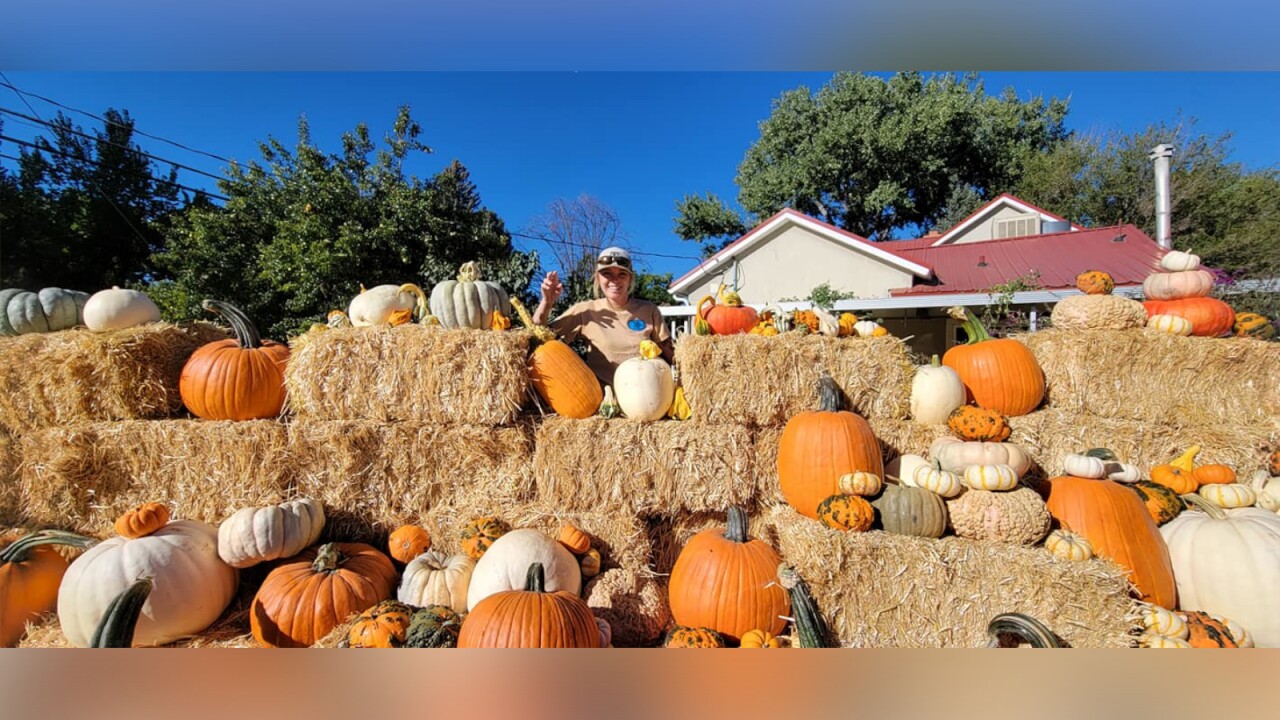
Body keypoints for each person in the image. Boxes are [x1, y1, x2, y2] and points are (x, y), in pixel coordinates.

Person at [532, 246, 675, 387]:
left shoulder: (649, 310)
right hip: (604, 402)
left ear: (630, 279)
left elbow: (671, 353)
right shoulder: (585, 311)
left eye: (622, 274)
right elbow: (539, 337)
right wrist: (546, 302)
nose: (614, 280)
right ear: (597, 278)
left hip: (649, 398)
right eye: (607, 274)